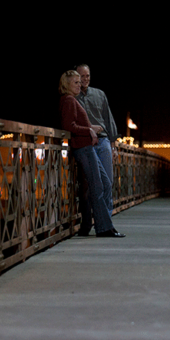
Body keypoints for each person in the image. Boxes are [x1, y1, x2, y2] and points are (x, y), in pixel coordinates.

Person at [59, 70, 124, 238]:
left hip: (87, 147)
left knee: (103, 184)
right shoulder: (69, 100)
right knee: (97, 186)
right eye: (75, 82)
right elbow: (68, 126)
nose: (79, 85)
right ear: (67, 84)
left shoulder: (72, 100)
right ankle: (104, 228)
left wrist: (90, 128)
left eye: (79, 82)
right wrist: (88, 130)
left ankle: (105, 226)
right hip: (83, 148)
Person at [75, 64, 118, 214]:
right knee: (91, 183)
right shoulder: (72, 97)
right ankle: (94, 218)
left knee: (108, 182)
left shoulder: (100, 94)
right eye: (82, 76)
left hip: (103, 141)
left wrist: (113, 147)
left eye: (87, 76)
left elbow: (109, 120)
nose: (85, 79)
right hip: (86, 143)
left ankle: (107, 218)